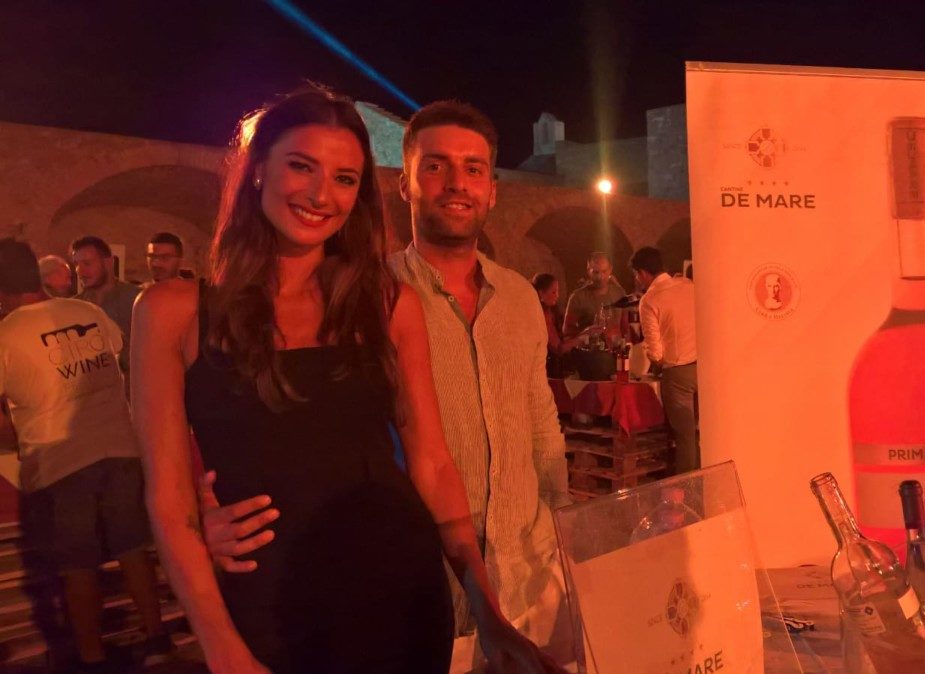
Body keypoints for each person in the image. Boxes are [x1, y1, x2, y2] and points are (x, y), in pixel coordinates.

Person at [132, 88, 556, 673]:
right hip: (267, 603)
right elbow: (168, 495)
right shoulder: (171, 312)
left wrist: (485, 608)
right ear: (258, 170)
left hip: (400, 591)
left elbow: (432, 463)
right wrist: (221, 647)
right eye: (301, 166)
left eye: (345, 179)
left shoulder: (386, 304)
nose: (320, 194)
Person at [0, 238, 172, 671]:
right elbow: (116, 356)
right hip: (120, 447)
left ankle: (92, 657)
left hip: (59, 460)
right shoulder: (86, 311)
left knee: (77, 566)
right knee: (133, 548)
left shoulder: (5, 336)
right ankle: (157, 638)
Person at [630, 246, 700, 474]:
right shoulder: (689, 286)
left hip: (678, 374)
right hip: (705, 367)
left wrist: (656, 361)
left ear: (642, 273)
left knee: (685, 438)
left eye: (636, 275)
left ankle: (688, 488)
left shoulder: (650, 300)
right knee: (705, 432)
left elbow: (656, 351)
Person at [71, 235, 141, 378]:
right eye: (76, 264)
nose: (79, 271)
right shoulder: (74, 307)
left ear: (108, 263)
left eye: (87, 263)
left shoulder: (136, 300)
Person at [532, 272, 597, 377]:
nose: (557, 296)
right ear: (541, 293)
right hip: (546, 371)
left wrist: (584, 333)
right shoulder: (541, 314)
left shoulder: (551, 311)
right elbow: (559, 349)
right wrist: (585, 335)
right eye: (553, 292)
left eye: (557, 291)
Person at [562, 251, 625, 339]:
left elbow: (625, 327)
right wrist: (587, 332)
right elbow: (567, 330)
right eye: (595, 272)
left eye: (604, 271)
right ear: (588, 271)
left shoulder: (619, 293)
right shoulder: (578, 297)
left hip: (616, 346)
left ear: (610, 269)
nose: (600, 276)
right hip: (591, 346)